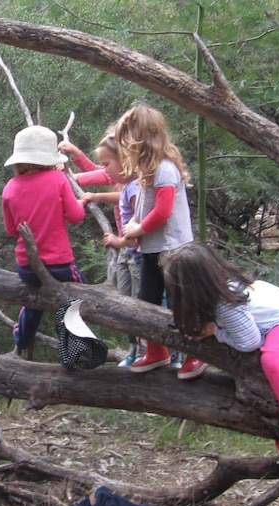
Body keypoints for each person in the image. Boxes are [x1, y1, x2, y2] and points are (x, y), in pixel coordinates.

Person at [162, 241, 279, 459]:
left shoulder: (225, 302)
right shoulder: (220, 289)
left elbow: (249, 342)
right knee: (267, 376)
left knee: (275, 361)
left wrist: (215, 332)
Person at [112, 105, 205, 380]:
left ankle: (195, 352)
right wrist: (136, 231)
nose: (125, 149)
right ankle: (157, 351)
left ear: (141, 139)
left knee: (181, 302)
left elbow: (163, 212)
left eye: (126, 142)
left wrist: (138, 228)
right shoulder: (147, 170)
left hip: (174, 250)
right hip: (152, 249)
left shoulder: (164, 169)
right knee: (147, 302)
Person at [2, 125, 87, 357]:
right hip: (59, 264)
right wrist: (80, 204)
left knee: (33, 298)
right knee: (80, 295)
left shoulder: (10, 187)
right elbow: (76, 217)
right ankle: (71, 350)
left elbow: (11, 229)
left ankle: (21, 340)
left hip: (26, 267)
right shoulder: (58, 179)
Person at [61, 137, 144, 366]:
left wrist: (95, 196)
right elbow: (94, 172)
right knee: (125, 299)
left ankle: (148, 350)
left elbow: (124, 195)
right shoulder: (115, 173)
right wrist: (75, 157)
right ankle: (135, 350)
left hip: (132, 245)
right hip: (124, 245)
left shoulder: (136, 182)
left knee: (140, 301)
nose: (105, 168)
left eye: (108, 163)